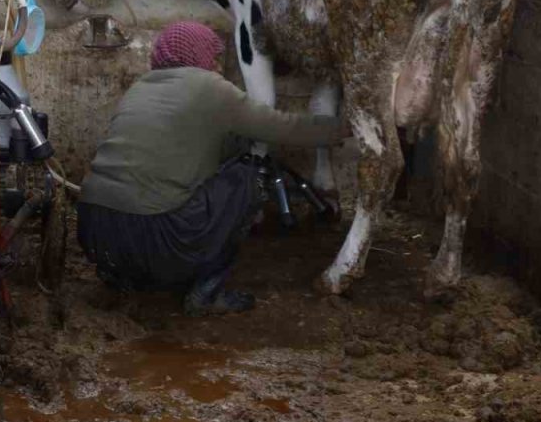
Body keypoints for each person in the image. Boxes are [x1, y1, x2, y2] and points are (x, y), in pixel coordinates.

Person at [77, 21, 349, 316]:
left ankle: (123, 278)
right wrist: (347, 128)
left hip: (94, 231)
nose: (218, 67)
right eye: (215, 57)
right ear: (198, 54)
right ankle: (206, 293)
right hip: (155, 236)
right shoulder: (211, 87)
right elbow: (284, 127)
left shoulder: (141, 87)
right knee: (248, 179)